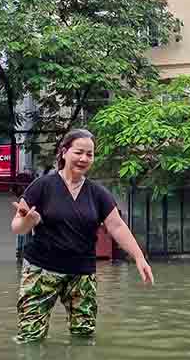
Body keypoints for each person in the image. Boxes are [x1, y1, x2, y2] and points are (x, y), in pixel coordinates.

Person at [10, 129, 154, 343]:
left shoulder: (98, 193)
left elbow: (117, 226)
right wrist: (28, 221)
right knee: (30, 337)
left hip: (82, 275)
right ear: (64, 152)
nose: (84, 159)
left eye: (90, 154)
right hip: (41, 270)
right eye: (79, 152)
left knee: (84, 337)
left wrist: (139, 257)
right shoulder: (42, 186)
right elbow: (17, 226)